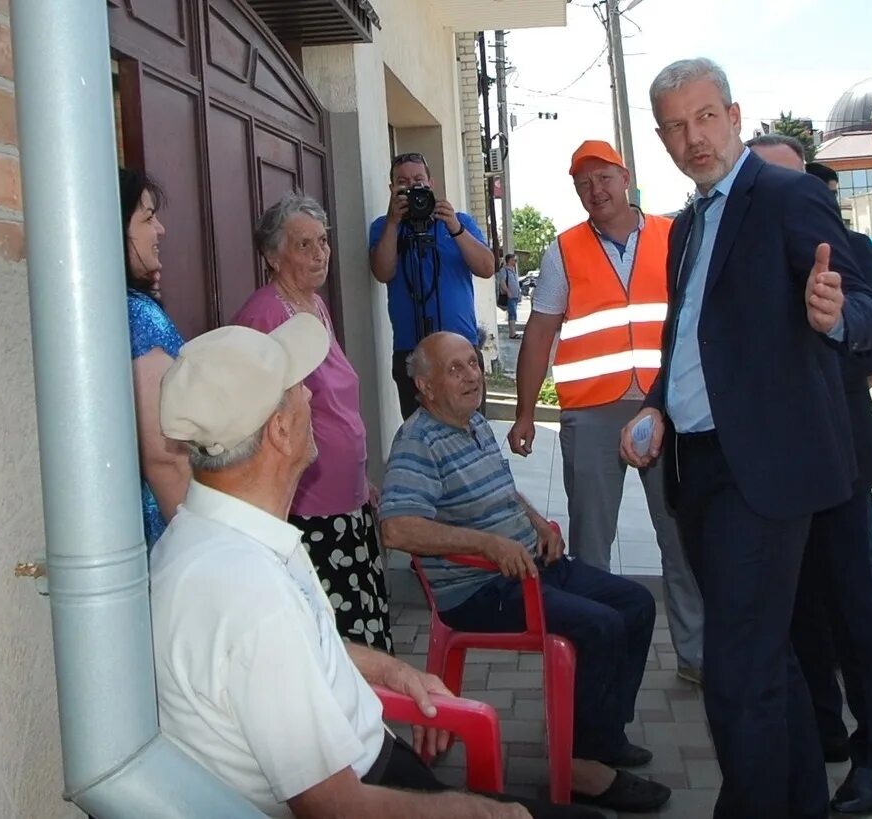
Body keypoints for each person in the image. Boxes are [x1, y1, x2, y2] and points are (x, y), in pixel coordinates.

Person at [148, 315, 597, 819]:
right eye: (299, 389)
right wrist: (483, 813)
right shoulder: (250, 593)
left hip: (378, 762)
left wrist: (392, 669)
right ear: (279, 430)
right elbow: (334, 806)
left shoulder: (221, 535)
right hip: (363, 790)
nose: (313, 398)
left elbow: (298, 644)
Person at [622, 57, 872, 818]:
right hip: (696, 469)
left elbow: (868, 309)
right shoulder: (685, 226)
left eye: (705, 117)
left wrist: (835, 316)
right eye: (676, 126)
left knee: (736, 672)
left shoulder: (786, 194)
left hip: (764, 475)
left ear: (735, 117)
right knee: (767, 663)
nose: (693, 137)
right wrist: (657, 406)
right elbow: (687, 335)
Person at [380, 331, 673, 814]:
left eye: (473, 363)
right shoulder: (418, 442)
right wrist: (488, 545)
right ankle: (581, 769)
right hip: (478, 589)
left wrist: (537, 523)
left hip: (526, 567)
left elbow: (502, 494)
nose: (473, 374)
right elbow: (396, 528)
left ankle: (602, 737)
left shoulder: (472, 424)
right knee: (599, 627)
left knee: (637, 605)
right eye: (455, 369)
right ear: (425, 388)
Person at [747, 135, 872, 815]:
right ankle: (821, 732)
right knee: (794, 609)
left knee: (854, 606)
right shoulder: (735, 248)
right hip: (766, 465)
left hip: (840, 457)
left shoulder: (844, 248)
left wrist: (848, 332)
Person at [506, 140, 705, 685]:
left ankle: (697, 657)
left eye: (603, 179)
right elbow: (540, 332)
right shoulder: (564, 250)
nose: (595, 191)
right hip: (592, 412)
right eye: (583, 185)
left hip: (666, 406)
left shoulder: (673, 236)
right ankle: (592, 656)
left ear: (625, 178)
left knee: (680, 538)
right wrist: (525, 413)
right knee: (592, 542)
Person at [231, 193, 391, 651]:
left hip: (347, 501)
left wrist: (361, 476)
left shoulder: (314, 306)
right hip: (309, 509)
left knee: (367, 626)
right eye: (304, 245)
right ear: (272, 256)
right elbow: (257, 414)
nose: (320, 253)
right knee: (338, 639)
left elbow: (335, 405)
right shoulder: (265, 315)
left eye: (323, 241)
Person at [369, 152, 497, 417]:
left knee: (469, 428)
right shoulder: (383, 227)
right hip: (410, 350)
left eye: (418, 179)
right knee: (420, 436)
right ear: (392, 189)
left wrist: (455, 228)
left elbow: (487, 268)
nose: (412, 187)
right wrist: (393, 223)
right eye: (403, 182)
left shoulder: (459, 221)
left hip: (461, 348)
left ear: (431, 183)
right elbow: (382, 272)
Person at [120, 167, 188, 546]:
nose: (159, 229)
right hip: (166, 529)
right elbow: (165, 455)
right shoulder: (137, 316)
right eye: (147, 218)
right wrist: (200, 543)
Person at [496, 253, 522, 337]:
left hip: (515, 296)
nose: (515, 261)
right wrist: (508, 292)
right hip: (509, 296)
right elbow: (502, 283)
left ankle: (513, 332)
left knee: (514, 314)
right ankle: (512, 334)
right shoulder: (504, 270)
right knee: (512, 314)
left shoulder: (513, 270)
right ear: (509, 260)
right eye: (514, 260)